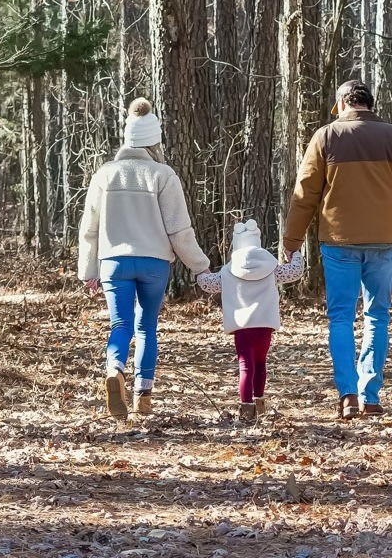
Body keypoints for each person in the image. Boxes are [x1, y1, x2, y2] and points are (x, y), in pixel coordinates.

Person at [282, 79, 392, 419]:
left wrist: (291, 242)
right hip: (383, 240)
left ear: (343, 103)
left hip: (339, 241)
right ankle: (371, 395)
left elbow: (305, 195)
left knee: (341, 317)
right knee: (377, 316)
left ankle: (348, 395)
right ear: (368, 103)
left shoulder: (326, 137)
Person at [76, 98, 212, 418]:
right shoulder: (163, 175)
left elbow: (89, 228)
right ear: (155, 141)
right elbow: (179, 229)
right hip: (153, 263)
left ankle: (115, 369)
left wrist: (87, 270)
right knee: (147, 326)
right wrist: (200, 266)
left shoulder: (105, 174)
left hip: (113, 262)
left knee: (120, 324)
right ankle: (142, 396)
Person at [197, 220, 305, 423]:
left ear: (236, 243)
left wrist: (201, 269)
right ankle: (260, 402)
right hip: (264, 326)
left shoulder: (228, 270)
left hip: (242, 327)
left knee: (245, 365)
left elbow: (208, 285)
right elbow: (295, 272)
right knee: (260, 363)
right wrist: (294, 255)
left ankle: (246, 408)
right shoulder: (272, 267)